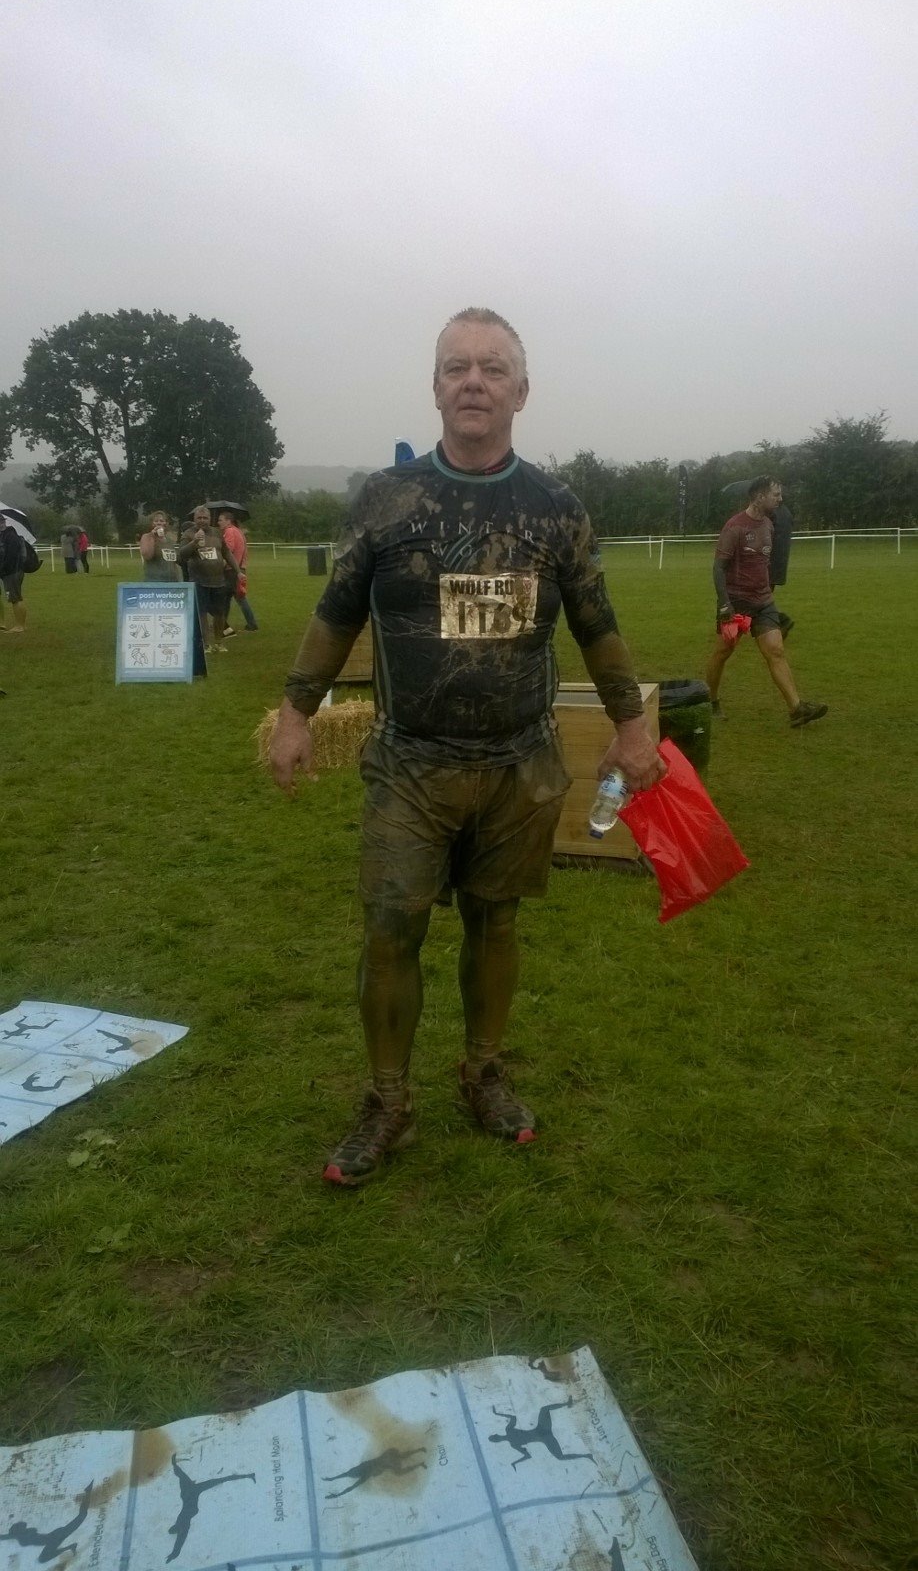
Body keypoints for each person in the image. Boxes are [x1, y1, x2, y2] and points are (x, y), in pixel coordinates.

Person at [270, 306, 665, 1187]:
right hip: (410, 763)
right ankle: (387, 1103)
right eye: (457, 367)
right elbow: (335, 614)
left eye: (492, 368)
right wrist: (296, 714)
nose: (474, 381)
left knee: (497, 920)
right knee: (389, 928)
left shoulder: (555, 509)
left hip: (519, 763)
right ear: (436, 387)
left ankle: (483, 1073)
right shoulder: (387, 499)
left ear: (522, 391)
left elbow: (597, 624)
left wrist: (633, 725)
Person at [704, 476, 827, 727]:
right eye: (776, 494)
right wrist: (725, 604)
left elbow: (764, 563)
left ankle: (796, 709)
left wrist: (768, 590)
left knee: (776, 651)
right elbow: (718, 568)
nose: (780, 499)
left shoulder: (769, 525)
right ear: (760, 497)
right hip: (736, 604)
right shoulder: (735, 527)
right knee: (722, 653)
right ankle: (710, 701)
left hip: (763, 602)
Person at [176, 505, 240, 652]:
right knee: (202, 613)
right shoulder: (188, 533)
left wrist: (238, 571)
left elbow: (227, 553)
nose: (202, 520)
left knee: (219, 613)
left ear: (210, 519)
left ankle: (219, 642)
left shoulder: (217, 532)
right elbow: (181, 555)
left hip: (218, 580)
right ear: (194, 519)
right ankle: (205, 644)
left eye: (205, 518)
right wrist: (194, 543)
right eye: (199, 518)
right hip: (199, 580)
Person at [216, 510, 258, 633]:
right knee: (236, 597)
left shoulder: (229, 531)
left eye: (220, 520)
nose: (218, 522)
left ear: (228, 521)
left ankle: (223, 624)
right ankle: (248, 624)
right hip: (240, 568)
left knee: (226, 598)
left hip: (232, 571)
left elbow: (228, 550)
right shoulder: (239, 531)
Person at [0, 513, 28, 632]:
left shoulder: (10, 536)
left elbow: (11, 557)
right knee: (14, 597)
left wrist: (2, 570)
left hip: (12, 572)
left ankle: (20, 626)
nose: (2, 524)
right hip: (9, 572)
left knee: (15, 598)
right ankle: (15, 624)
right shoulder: (4, 536)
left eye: (2, 522)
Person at [139, 511, 182, 581]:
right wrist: (152, 536)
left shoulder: (170, 540)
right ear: (152, 524)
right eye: (156, 521)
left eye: (161, 521)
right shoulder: (147, 537)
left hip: (172, 581)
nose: (159, 523)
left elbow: (174, 561)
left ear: (166, 523)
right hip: (154, 581)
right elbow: (147, 555)